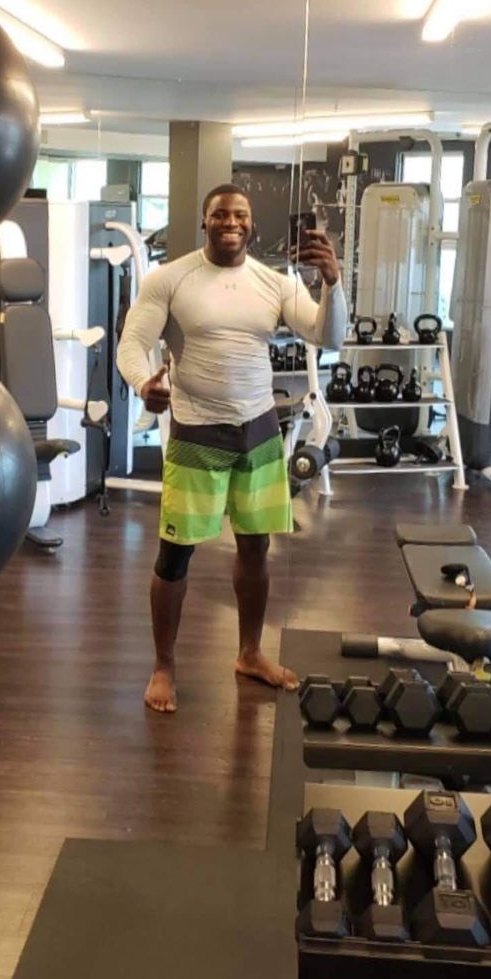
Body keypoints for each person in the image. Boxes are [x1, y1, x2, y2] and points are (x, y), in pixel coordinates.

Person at [117, 184, 347, 713]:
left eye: (240, 215)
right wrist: (141, 382)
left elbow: (327, 335)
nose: (231, 222)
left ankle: (249, 653)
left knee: (255, 548)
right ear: (205, 222)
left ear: (251, 224)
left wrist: (332, 283)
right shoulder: (171, 278)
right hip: (197, 431)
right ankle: (163, 666)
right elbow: (133, 344)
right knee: (175, 555)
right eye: (220, 214)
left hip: (259, 431)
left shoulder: (274, 282)